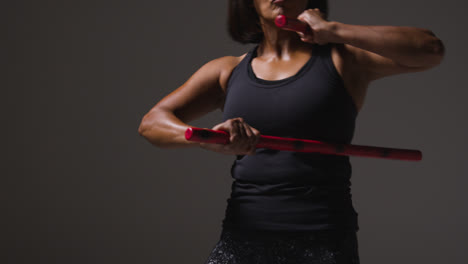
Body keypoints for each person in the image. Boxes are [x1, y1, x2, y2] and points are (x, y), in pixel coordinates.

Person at [138, 0, 444, 263]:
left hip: (324, 242)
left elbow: (430, 48)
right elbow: (151, 123)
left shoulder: (343, 58)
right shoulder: (227, 70)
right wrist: (209, 141)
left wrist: (334, 30)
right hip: (242, 239)